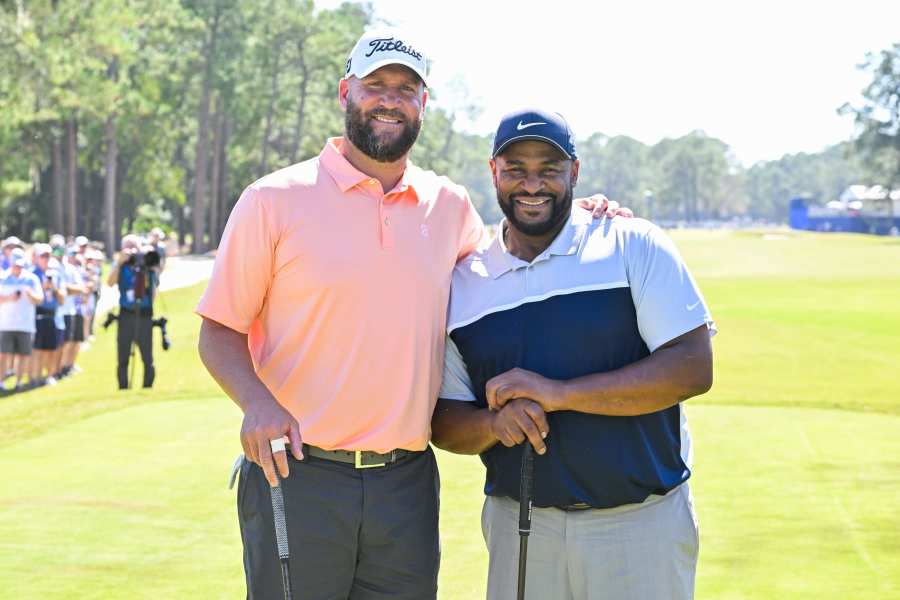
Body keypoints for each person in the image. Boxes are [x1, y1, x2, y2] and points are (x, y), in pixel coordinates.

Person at [197, 29, 628, 600]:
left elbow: (510, 265)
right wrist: (257, 404)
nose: (390, 99)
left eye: (407, 88)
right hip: (297, 474)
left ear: (423, 104)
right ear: (346, 91)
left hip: (406, 481)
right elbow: (219, 329)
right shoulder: (273, 200)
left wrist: (582, 215)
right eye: (376, 85)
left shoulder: (447, 205)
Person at [431, 109, 716, 600]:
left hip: (640, 525)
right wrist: (493, 426)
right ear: (493, 172)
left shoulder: (631, 243)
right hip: (520, 527)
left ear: (575, 173)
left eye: (550, 168)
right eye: (516, 168)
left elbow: (692, 367)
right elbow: (445, 420)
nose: (533, 183)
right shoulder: (464, 282)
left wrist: (557, 395)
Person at [107, 234, 157, 389]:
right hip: (126, 315)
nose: (131, 250)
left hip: (144, 315)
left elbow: (153, 291)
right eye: (127, 247)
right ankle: (123, 386)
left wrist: (145, 266)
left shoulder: (147, 264)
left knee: (147, 356)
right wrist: (119, 263)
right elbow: (110, 282)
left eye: (134, 246)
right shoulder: (120, 265)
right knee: (123, 355)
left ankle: (147, 386)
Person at [0, 247, 42, 391]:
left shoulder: (31, 279)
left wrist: (31, 294)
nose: (17, 267)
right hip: (5, 324)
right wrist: (9, 298)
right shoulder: (2, 277)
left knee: (23, 355)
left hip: (25, 324)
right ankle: (1, 383)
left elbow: (39, 299)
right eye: (15, 264)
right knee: (3, 355)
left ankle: (18, 383)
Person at [30, 243, 65, 385]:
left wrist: (53, 288)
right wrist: (41, 288)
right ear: (37, 258)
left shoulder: (55, 275)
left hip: (52, 315)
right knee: (37, 349)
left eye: (48, 256)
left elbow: (62, 299)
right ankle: (35, 377)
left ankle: (48, 376)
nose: (45, 259)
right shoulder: (32, 274)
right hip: (37, 315)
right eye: (42, 256)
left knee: (51, 348)